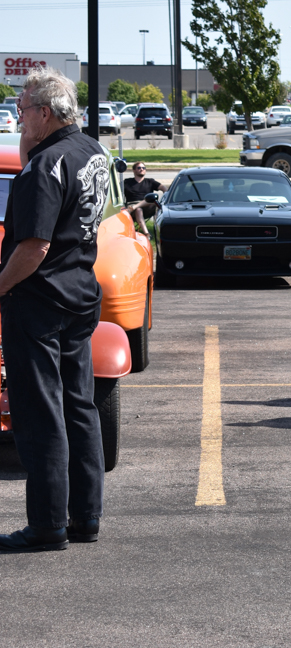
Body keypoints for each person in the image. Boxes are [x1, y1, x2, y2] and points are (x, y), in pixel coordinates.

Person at [0, 66, 109, 551]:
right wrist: (30, 145)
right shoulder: (91, 151)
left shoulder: (44, 167)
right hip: (79, 294)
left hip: (39, 302)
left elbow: (34, 247)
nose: (18, 117)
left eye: (23, 109)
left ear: (44, 113)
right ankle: (85, 517)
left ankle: (47, 525)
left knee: (40, 414)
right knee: (78, 407)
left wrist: (0, 288)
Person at [122, 162, 166, 234]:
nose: (141, 169)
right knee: (139, 210)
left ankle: (159, 231)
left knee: (154, 202)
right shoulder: (127, 182)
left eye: (143, 168)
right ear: (134, 170)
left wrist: (165, 197)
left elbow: (164, 188)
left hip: (145, 206)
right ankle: (147, 234)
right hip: (132, 207)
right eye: (139, 168)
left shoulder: (150, 181)